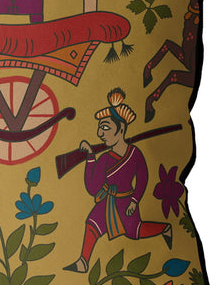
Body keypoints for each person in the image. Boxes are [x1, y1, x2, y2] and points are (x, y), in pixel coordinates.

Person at [64, 89, 172, 273]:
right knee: (92, 223)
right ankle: (83, 263)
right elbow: (93, 188)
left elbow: (143, 179)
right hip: (107, 202)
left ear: (121, 129)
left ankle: (165, 228)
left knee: (134, 231)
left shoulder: (135, 154)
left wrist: (134, 201)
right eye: (100, 128)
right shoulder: (105, 159)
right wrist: (90, 157)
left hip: (126, 201)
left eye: (105, 127)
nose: (100, 133)